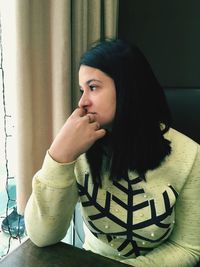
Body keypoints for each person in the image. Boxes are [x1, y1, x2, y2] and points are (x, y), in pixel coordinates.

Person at [24, 39, 200, 267]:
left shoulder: (190, 157)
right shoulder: (79, 147)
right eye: (82, 90)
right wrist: (59, 156)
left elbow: (187, 248)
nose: (82, 102)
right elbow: (41, 237)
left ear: (128, 88)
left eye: (93, 87)